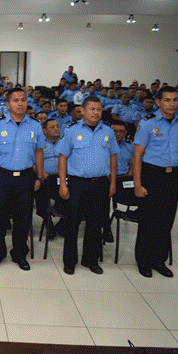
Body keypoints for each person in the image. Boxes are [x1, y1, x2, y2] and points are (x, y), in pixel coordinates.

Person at [0, 88, 45, 271]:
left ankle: (19, 253)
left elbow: (39, 152)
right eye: (15, 100)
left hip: (25, 177)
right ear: (8, 104)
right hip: (2, 176)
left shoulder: (34, 125)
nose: (20, 103)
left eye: (23, 100)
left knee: (23, 218)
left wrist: (39, 177)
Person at [132, 86, 178, 278]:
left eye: (175, 100)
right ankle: (143, 261)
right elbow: (137, 155)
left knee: (166, 220)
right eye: (167, 100)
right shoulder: (147, 123)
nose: (172, 104)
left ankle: (159, 260)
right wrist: (138, 184)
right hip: (152, 175)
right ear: (158, 102)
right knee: (148, 220)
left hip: (173, 176)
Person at [57, 96, 118, 275]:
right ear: (83, 110)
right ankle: (69, 261)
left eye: (99, 109)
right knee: (72, 223)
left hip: (100, 184)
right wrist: (63, 184)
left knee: (95, 224)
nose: (95, 112)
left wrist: (113, 182)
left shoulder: (108, 131)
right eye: (92, 109)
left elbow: (113, 157)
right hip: (77, 184)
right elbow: (63, 158)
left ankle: (91, 260)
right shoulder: (71, 130)